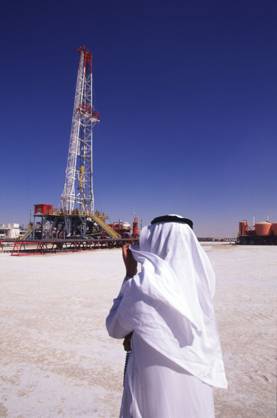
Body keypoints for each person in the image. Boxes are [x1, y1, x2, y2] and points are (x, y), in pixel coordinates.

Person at [106, 214, 227, 418]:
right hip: (197, 386)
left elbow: (114, 327)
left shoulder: (144, 286)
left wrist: (129, 274)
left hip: (153, 392)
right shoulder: (202, 285)